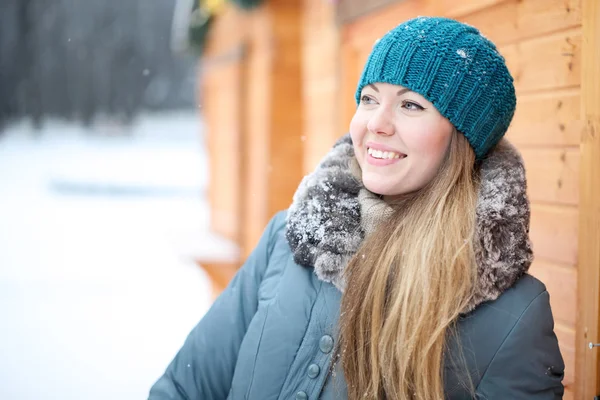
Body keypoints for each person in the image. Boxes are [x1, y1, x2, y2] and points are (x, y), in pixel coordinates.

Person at [149, 17, 565, 399]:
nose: (376, 123)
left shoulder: (513, 316)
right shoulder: (289, 240)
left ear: (463, 140)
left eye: (410, 104)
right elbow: (185, 387)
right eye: (369, 99)